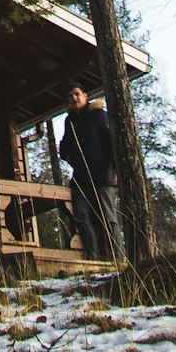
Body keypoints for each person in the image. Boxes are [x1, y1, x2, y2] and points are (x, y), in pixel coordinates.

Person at [58, 82, 124, 261]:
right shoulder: (70, 120)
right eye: (70, 96)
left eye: (77, 94)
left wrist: (116, 170)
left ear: (85, 96)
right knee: (80, 215)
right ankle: (91, 257)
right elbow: (64, 145)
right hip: (80, 177)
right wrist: (67, 155)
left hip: (102, 175)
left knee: (108, 217)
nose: (74, 98)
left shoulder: (98, 115)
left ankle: (118, 257)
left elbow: (111, 143)